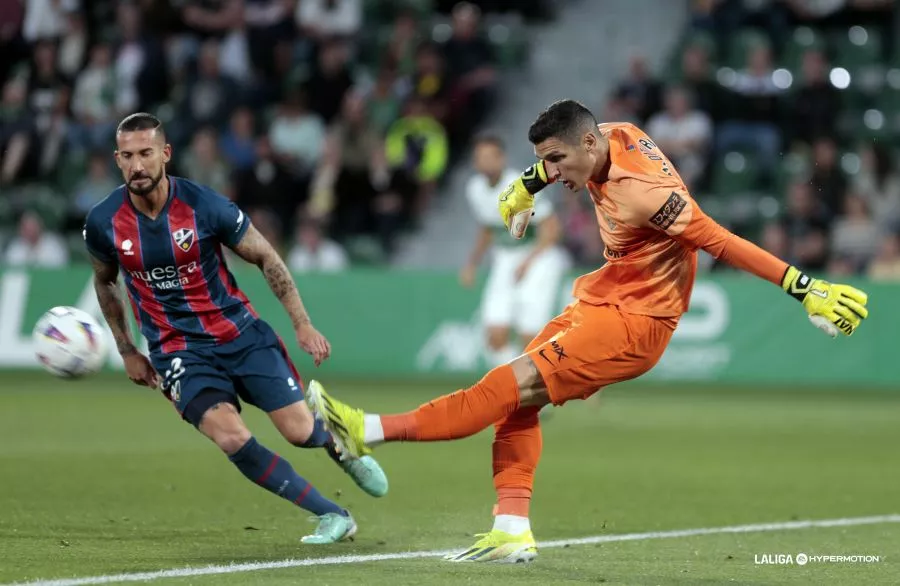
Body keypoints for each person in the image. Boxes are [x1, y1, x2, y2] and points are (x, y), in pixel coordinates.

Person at [305, 100, 869, 562]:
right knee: (516, 405)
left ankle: (366, 429)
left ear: (590, 146)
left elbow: (720, 240)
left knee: (506, 383)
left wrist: (805, 288)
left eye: (557, 161)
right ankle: (511, 528)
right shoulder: (610, 134)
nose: (555, 171)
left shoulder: (645, 192)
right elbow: (556, 160)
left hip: (635, 322)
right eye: (545, 162)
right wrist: (527, 188)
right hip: (606, 295)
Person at [83, 113, 388, 545]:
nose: (138, 165)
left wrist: (301, 323)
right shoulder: (103, 221)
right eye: (128, 156)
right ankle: (331, 513)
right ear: (117, 160)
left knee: (298, 431)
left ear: (165, 154)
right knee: (230, 436)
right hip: (177, 351)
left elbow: (266, 257)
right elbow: (104, 280)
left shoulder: (204, 206)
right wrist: (127, 349)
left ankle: (337, 441)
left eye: (146, 153)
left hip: (239, 334)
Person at [460, 133, 568, 367]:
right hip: (504, 258)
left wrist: (528, 262)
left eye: (490, 157)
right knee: (494, 335)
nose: (485, 162)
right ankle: (520, 386)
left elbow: (552, 228)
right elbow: (487, 228)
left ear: (502, 159)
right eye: (480, 158)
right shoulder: (475, 189)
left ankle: (551, 381)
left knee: (529, 335)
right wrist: (472, 263)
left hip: (537, 257)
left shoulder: (522, 185)